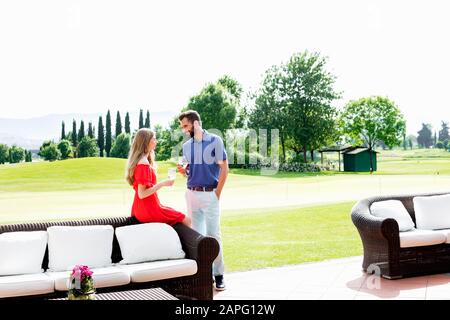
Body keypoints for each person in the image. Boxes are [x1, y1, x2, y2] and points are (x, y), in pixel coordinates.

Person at [177, 110, 229, 291]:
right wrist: (185, 172)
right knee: (197, 238)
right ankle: (204, 275)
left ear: (195, 123)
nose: (183, 130)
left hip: (210, 195)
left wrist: (217, 193)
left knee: (213, 235)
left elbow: (224, 169)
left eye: (185, 125)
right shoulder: (186, 146)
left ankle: (219, 274)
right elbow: (190, 171)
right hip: (192, 194)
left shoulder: (215, 140)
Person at [126, 128, 191, 227]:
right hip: (148, 210)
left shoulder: (142, 160)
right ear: (146, 142)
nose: (156, 141)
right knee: (186, 219)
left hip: (141, 208)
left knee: (175, 213)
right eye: (154, 139)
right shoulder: (143, 163)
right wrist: (162, 184)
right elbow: (142, 194)